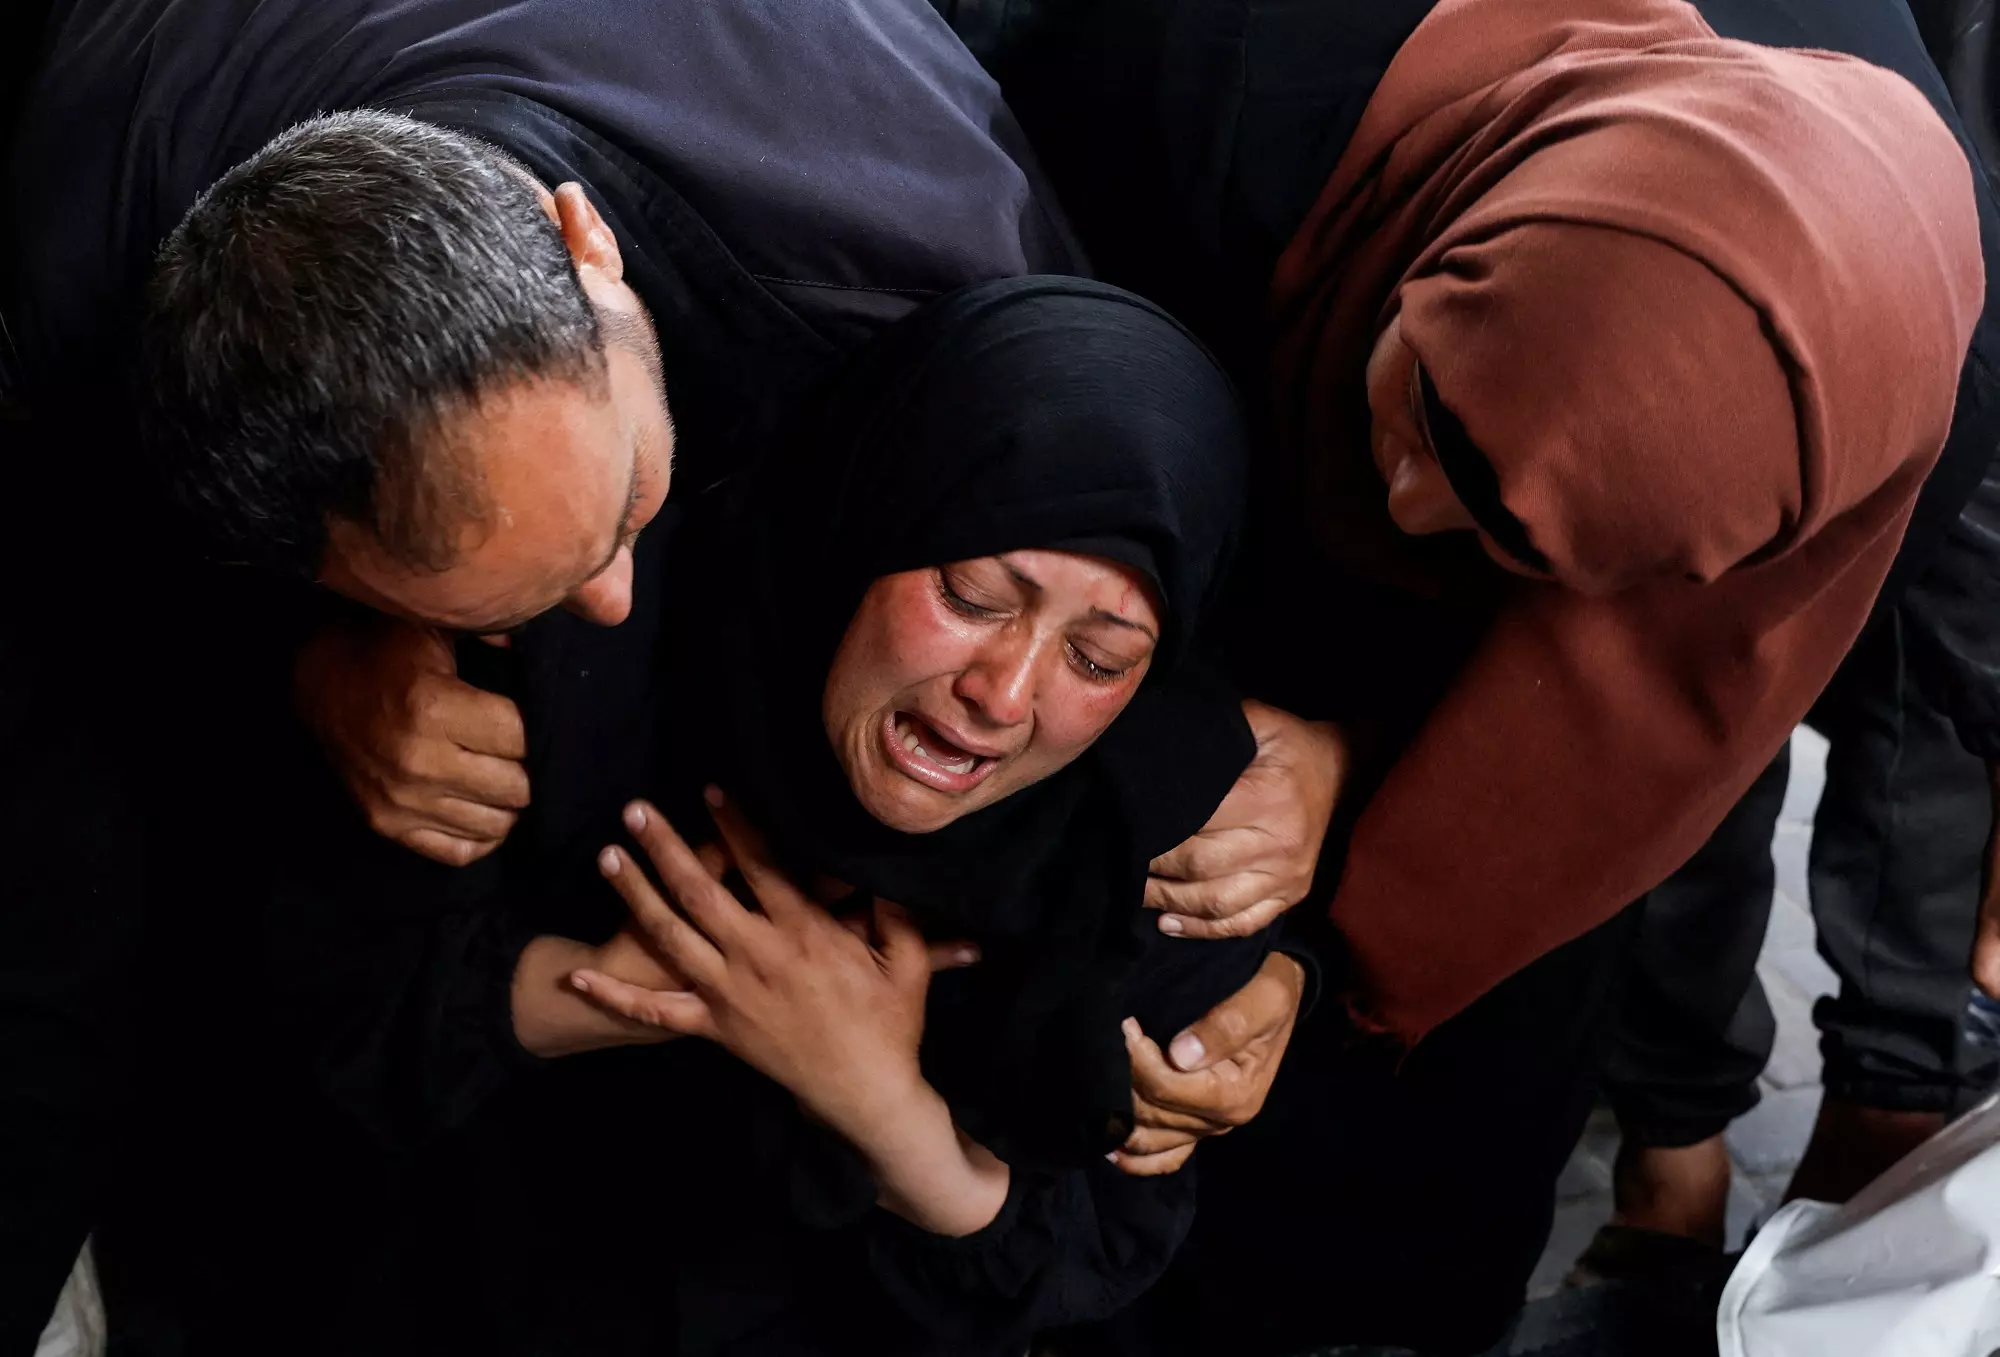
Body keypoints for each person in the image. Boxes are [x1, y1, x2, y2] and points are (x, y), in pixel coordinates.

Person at [974, 0, 1991, 1351]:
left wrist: (1356, 825)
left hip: (1529, 661)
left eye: (1506, 526)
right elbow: (1011, 423)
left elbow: (1622, 739)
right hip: (1221, 399)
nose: (1402, 502)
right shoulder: (1218, 69)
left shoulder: (1892, 419)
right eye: (1432, 411)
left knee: (1421, 1172)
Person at [250, 277, 1289, 1355]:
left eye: (1097, 656)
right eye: (973, 596)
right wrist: (646, 982)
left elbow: (1092, 1253)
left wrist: (876, 1097)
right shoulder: (588, 626)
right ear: (872, 510)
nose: (1005, 693)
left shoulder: (1163, 841)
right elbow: (323, 1009)